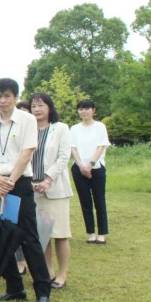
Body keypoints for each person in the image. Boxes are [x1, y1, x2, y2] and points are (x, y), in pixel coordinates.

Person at [0, 78, 52, 302]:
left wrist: (8, 183)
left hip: (18, 182)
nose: (3, 100)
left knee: (28, 238)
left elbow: (27, 153)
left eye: (7, 95)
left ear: (16, 97)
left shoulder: (27, 120)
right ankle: (14, 288)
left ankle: (42, 292)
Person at [29, 93, 73, 289]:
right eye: (34, 106)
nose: (37, 109)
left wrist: (48, 179)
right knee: (42, 234)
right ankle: (48, 271)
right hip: (33, 188)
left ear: (49, 107)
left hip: (55, 189)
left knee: (60, 234)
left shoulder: (60, 128)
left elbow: (64, 157)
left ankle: (62, 274)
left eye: (41, 105)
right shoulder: (28, 130)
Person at [70, 99, 111, 245]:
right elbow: (72, 147)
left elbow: (101, 146)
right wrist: (81, 165)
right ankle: (91, 233)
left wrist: (90, 164)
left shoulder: (100, 126)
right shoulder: (74, 128)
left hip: (97, 167)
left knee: (99, 201)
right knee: (85, 201)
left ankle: (102, 233)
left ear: (93, 110)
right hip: (79, 168)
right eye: (81, 109)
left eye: (87, 108)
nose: (84, 111)